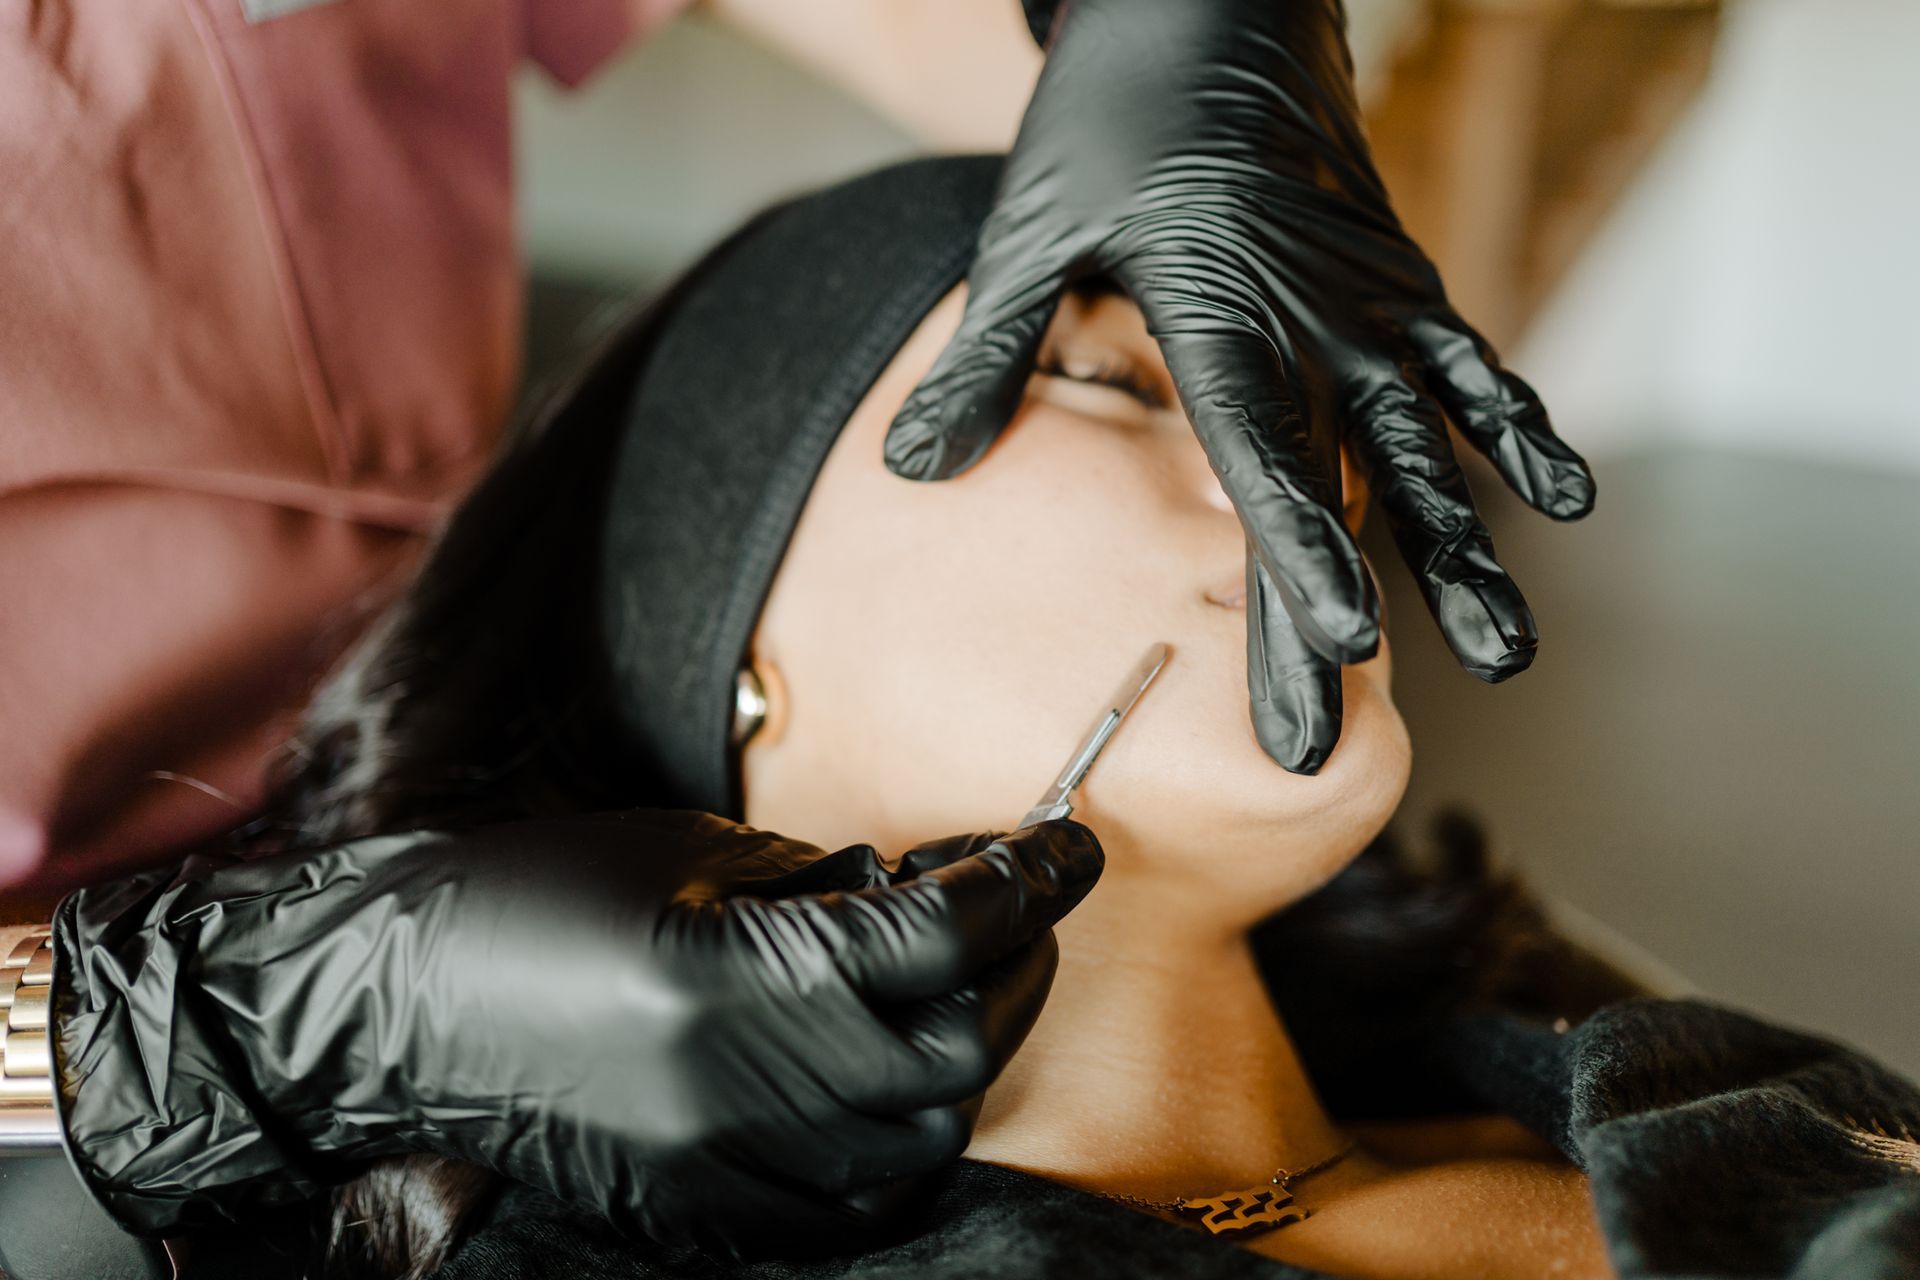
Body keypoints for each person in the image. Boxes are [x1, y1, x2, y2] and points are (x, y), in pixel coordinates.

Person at [53, 157, 1920, 1280]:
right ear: (729, 648)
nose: (1294, 475)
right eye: (1110, 381)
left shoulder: (1684, 1097)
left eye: (1291, 406)